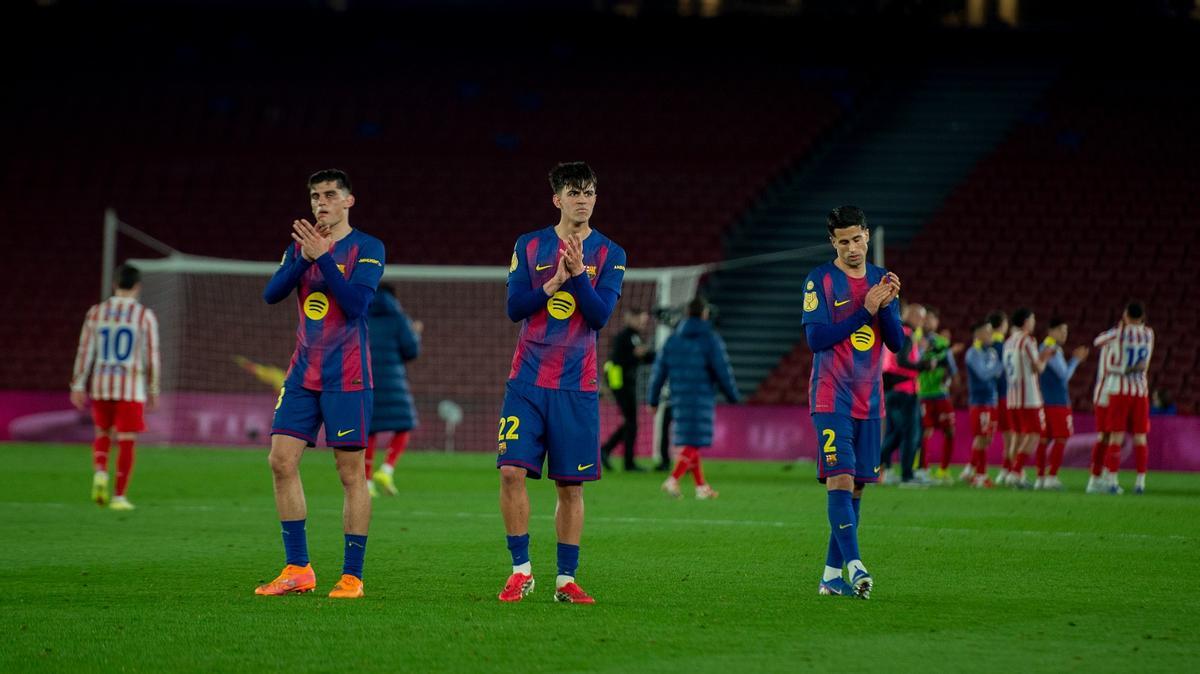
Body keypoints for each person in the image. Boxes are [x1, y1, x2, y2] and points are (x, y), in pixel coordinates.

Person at [495, 162, 626, 604]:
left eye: (589, 191)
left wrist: (578, 276)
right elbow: (515, 308)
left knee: (569, 486)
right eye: (574, 191)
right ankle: (520, 571)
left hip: (577, 386)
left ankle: (565, 580)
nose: (583, 199)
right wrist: (553, 284)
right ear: (558, 199)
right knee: (511, 472)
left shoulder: (611, 253)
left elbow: (599, 317)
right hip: (527, 381)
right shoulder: (529, 245)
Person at [256, 169, 386, 599]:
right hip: (302, 373)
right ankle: (298, 568)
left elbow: (355, 305)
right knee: (280, 461)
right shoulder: (300, 248)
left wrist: (324, 258)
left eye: (330, 195)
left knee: (350, 473)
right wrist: (304, 257)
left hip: (347, 377)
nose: (321, 203)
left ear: (349, 200)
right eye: (315, 196)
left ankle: (352, 575)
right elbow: (272, 294)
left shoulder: (367, 248)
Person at [803, 206, 903, 600]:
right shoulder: (820, 280)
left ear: (865, 235)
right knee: (840, 479)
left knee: (857, 487)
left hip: (871, 399)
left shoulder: (881, 279)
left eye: (857, 238)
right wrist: (866, 311)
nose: (852, 248)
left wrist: (889, 305)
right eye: (843, 241)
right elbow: (816, 340)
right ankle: (857, 565)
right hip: (831, 395)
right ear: (833, 242)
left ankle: (830, 576)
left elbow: (896, 342)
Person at [70, 263, 160, 511]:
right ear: (138, 287)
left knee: (102, 433)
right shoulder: (144, 316)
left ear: (114, 284)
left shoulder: (96, 312)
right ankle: (119, 497)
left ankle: (100, 471)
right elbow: (151, 355)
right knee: (127, 440)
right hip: (131, 386)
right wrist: (153, 389)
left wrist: (78, 384)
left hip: (101, 384)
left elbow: (84, 351)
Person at [648, 297, 740, 499]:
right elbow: (722, 370)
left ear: (687, 314)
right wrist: (733, 395)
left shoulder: (672, 340)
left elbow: (658, 372)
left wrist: (653, 399)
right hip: (701, 396)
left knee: (691, 440)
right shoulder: (710, 339)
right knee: (694, 442)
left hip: (678, 397)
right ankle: (673, 480)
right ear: (705, 314)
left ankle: (701, 487)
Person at [365, 284, 422, 497]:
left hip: (365, 379)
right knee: (404, 425)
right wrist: (416, 334)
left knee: (369, 430)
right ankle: (387, 469)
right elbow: (411, 350)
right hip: (393, 382)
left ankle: (368, 481)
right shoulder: (398, 318)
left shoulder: (361, 314)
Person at [1092, 302, 1154, 494]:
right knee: (1140, 437)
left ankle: (1112, 480)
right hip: (1140, 390)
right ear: (1142, 317)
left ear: (1126, 316)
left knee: (1115, 436)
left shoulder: (1120, 333)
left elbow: (1098, 341)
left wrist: (1120, 329)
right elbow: (1146, 364)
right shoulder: (1149, 333)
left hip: (1119, 389)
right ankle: (1140, 482)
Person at [1001, 308, 1054, 488]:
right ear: (1025, 321)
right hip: (1029, 398)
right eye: (1032, 320)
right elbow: (1037, 367)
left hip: (1012, 397)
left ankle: (1012, 471)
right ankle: (1016, 471)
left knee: (1016, 436)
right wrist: (1045, 358)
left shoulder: (1008, 342)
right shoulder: (1026, 340)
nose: (1033, 323)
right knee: (1034, 434)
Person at [1034, 318, 1087, 490]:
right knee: (1061, 437)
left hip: (1045, 401)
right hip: (1057, 402)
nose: (1065, 334)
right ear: (1051, 331)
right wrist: (1076, 360)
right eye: (1061, 331)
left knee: (1043, 439)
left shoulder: (1044, 347)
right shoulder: (1052, 349)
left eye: (1066, 331)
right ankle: (1051, 477)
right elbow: (1064, 376)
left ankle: (1041, 477)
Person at [600, 306, 654, 472]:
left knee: (631, 423)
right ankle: (626, 462)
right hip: (621, 383)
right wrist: (609, 385)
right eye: (640, 318)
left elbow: (644, 358)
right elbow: (616, 360)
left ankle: (607, 450)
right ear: (630, 317)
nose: (642, 322)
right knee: (631, 423)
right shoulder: (624, 337)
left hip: (627, 382)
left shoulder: (635, 337)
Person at [880, 303, 924, 485]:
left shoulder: (896, 332)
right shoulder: (906, 335)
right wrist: (923, 366)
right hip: (904, 392)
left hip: (892, 391)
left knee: (897, 434)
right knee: (910, 434)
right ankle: (907, 476)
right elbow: (902, 360)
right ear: (912, 316)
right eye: (920, 317)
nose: (922, 321)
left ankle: (871, 466)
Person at [916, 309, 961, 483]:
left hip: (942, 394)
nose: (927, 322)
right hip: (923, 393)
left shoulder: (942, 342)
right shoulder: (917, 340)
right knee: (924, 432)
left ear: (936, 322)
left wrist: (953, 379)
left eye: (930, 319)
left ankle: (943, 470)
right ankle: (923, 469)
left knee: (950, 431)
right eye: (925, 319)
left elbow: (951, 365)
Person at [963, 320, 1003, 487]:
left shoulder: (992, 352)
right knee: (982, 437)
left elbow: (998, 373)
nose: (990, 335)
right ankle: (980, 475)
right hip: (979, 401)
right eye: (987, 331)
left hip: (991, 400)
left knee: (987, 438)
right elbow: (984, 374)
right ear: (978, 334)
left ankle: (971, 470)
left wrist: (994, 368)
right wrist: (995, 367)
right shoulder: (973, 353)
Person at [1086, 320, 1123, 493]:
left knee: (1106, 436)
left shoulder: (1111, 338)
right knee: (1109, 436)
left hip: (1105, 393)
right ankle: (1104, 478)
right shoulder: (1117, 338)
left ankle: (1097, 477)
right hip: (1109, 393)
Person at [987, 311, 1016, 484]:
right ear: (1002, 325)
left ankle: (973, 467)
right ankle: (1006, 470)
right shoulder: (1004, 346)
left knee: (986, 435)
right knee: (1009, 435)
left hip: (992, 396)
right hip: (1005, 395)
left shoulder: (988, 345)